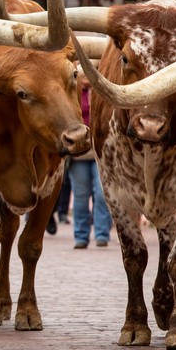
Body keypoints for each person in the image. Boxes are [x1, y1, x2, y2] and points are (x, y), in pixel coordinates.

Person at [69, 74, 112, 248]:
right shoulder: (73, 92)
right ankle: (81, 236)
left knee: (102, 195)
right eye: (83, 73)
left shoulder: (103, 90)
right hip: (79, 153)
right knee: (80, 196)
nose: (86, 77)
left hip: (100, 151)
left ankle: (102, 234)